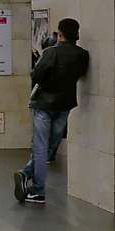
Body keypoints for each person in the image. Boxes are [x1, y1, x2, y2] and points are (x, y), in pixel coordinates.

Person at [14, 18, 89, 205]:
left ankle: (37, 189)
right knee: (49, 147)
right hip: (65, 104)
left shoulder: (50, 52)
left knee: (41, 147)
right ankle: (26, 175)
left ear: (59, 33)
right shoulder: (83, 55)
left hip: (43, 104)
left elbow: (36, 75)